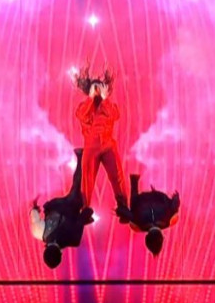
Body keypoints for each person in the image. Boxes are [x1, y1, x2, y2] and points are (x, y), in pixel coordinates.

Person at [73, 64, 132, 221]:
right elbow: (81, 115)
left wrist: (105, 99)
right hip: (91, 147)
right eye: (95, 88)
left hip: (107, 146)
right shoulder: (85, 106)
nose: (98, 91)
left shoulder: (109, 106)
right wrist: (90, 97)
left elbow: (115, 115)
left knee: (117, 175)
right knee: (87, 178)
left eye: (100, 88)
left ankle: (123, 208)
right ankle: (85, 210)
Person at [30, 148, 94, 269]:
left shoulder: (73, 240)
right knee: (76, 189)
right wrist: (35, 207)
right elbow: (34, 213)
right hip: (54, 205)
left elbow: (82, 218)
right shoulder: (37, 232)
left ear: (60, 255)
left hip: (70, 205)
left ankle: (82, 157)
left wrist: (87, 214)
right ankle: (77, 160)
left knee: (78, 187)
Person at [126, 173, 181, 256]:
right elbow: (130, 209)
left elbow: (175, 203)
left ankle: (135, 179)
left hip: (158, 193)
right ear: (147, 239)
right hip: (146, 196)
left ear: (162, 237)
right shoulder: (137, 225)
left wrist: (176, 198)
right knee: (132, 211)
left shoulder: (170, 220)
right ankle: (134, 179)